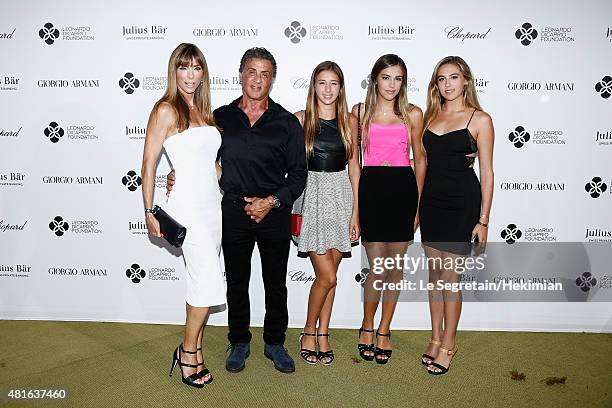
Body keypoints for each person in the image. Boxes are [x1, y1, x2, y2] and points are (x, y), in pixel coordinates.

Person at [168, 47, 307, 374]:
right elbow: (203, 161)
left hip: (273, 211)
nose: (257, 80)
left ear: (272, 79)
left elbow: (299, 175)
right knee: (236, 282)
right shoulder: (219, 118)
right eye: (252, 72)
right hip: (231, 210)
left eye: (265, 74)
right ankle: (239, 341)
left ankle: (274, 342)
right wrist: (180, 175)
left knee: (276, 283)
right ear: (240, 74)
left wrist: (270, 201)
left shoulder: (287, 122)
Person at [141, 43, 224, 388]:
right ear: (174, 72)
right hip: (187, 209)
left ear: (203, 73)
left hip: (211, 207)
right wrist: (149, 210)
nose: (190, 75)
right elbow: (148, 164)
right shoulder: (165, 109)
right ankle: (187, 352)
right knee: (207, 283)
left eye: (196, 68)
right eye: (184, 68)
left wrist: (216, 173)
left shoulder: (205, 111)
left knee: (202, 282)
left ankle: (197, 349)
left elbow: (210, 165)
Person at [419, 56, 494, 375]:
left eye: (453, 77)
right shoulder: (430, 116)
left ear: (466, 80)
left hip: (462, 202)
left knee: (451, 279)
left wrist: (484, 219)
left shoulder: (480, 119)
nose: (447, 84)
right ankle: (435, 338)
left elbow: (488, 172)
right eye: (441, 79)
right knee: (434, 278)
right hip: (432, 201)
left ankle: (449, 344)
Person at [352, 54, 426, 364]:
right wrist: (355, 209)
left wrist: (418, 207)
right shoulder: (359, 112)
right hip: (371, 189)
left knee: (396, 268)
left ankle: (384, 329)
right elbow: (353, 163)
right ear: (375, 79)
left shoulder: (412, 113)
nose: (391, 84)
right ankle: (367, 325)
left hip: (402, 191)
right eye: (386, 77)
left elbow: (420, 159)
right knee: (377, 268)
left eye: (397, 78)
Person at [293, 61, 360, 366]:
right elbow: (284, 165)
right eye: (322, 82)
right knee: (328, 275)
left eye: (334, 83)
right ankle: (309, 331)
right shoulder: (300, 119)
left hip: (341, 196)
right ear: (314, 86)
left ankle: (324, 334)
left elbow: (355, 168)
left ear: (341, 87)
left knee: (330, 278)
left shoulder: (350, 122)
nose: (328, 89)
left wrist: (356, 212)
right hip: (310, 197)